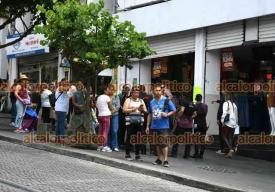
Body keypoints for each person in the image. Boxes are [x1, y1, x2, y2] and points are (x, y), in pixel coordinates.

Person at [146, 85, 176, 167]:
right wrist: (147, 126)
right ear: (153, 91)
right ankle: (159, 159)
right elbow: (149, 114)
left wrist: (166, 114)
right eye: (156, 90)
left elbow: (174, 110)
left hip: (164, 126)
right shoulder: (151, 102)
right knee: (157, 144)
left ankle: (166, 160)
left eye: (159, 90)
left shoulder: (166, 100)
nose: (158, 92)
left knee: (164, 143)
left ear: (161, 91)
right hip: (154, 125)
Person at [123, 86, 147, 161]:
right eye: (135, 92)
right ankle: (127, 154)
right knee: (129, 137)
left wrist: (142, 109)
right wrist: (134, 109)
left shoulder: (141, 101)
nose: (136, 94)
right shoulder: (128, 100)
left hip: (139, 121)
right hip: (130, 121)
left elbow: (146, 111)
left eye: (138, 92)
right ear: (132, 93)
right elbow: (124, 110)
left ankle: (137, 154)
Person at [96, 85, 114, 152]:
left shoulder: (98, 97)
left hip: (100, 115)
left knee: (100, 131)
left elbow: (97, 106)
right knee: (105, 131)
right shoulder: (107, 97)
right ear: (104, 91)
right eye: (107, 89)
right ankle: (104, 146)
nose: (108, 91)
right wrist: (113, 111)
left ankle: (99, 146)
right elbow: (111, 107)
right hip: (106, 115)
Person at [221, 92, 239, 159]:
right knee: (230, 137)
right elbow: (237, 115)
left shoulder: (226, 103)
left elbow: (224, 112)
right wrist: (236, 122)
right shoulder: (234, 105)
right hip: (234, 122)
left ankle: (230, 149)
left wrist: (222, 121)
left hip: (228, 122)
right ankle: (230, 153)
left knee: (224, 136)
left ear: (226, 97)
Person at [192, 94, 208, 159]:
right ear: (201, 99)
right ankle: (201, 155)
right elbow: (206, 114)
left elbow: (194, 115)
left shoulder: (195, 106)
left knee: (196, 138)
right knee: (202, 139)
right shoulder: (205, 106)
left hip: (196, 124)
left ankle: (196, 153)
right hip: (204, 123)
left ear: (196, 98)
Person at [108, 85, 120, 152]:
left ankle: (115, 145)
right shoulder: (105, 97)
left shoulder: (116, 97)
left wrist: (112, 112)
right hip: (107, 115)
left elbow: (118, 106)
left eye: (112, 89)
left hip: (115, 115)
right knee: (108, 130)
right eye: (110, 89)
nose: (111, 91)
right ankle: (108, 145)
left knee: (114, 130)